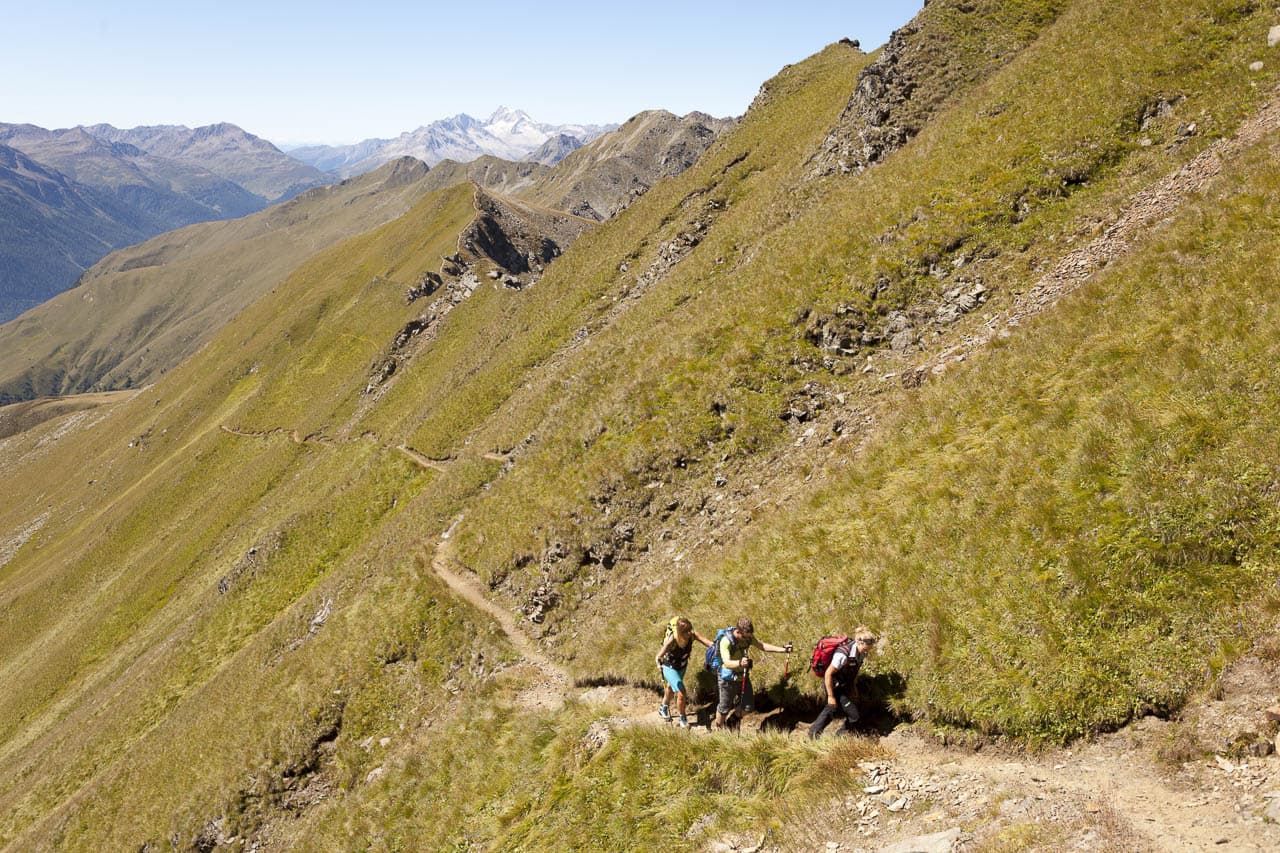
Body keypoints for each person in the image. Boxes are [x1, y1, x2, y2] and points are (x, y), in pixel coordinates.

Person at [714, 617, 793, 730]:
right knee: (724, 708)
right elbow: (726, 663)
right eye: (746, 637)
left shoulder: (748, 637)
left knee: (748, 708)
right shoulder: (726, 641)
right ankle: (719, 729)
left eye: (750, 636)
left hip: (743, 677)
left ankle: (732, 721)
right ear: (738, 631)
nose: (748, 639)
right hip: (727, 680)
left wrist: (783, 650)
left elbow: (761, 646)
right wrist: (740, 662)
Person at [808, 626, 877, 739]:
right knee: (848, 713)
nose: (867, 651)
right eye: (865, 648)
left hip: (844, 685)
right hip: (833, 685)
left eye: (868, 649)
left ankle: (817, 734)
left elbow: (854, 670)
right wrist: (830, 696)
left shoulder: (861, 652)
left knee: (833, 709)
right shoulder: (842, 655)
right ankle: (819, 735)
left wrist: (853, 687)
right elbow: (828, 674)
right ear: (859, 643)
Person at [655, 617, 712, 728]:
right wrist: (658, 663)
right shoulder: (672, 639)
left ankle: (663, 707)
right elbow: (659, 655)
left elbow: (707, 642)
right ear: (680, 633)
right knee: (682, 692)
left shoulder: (692, 635)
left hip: (682, 667)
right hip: (669, 667)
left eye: (690, 630)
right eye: (687, 632)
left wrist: (719, 647)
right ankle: (683, 718)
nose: (689, 633)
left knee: (671, 688)